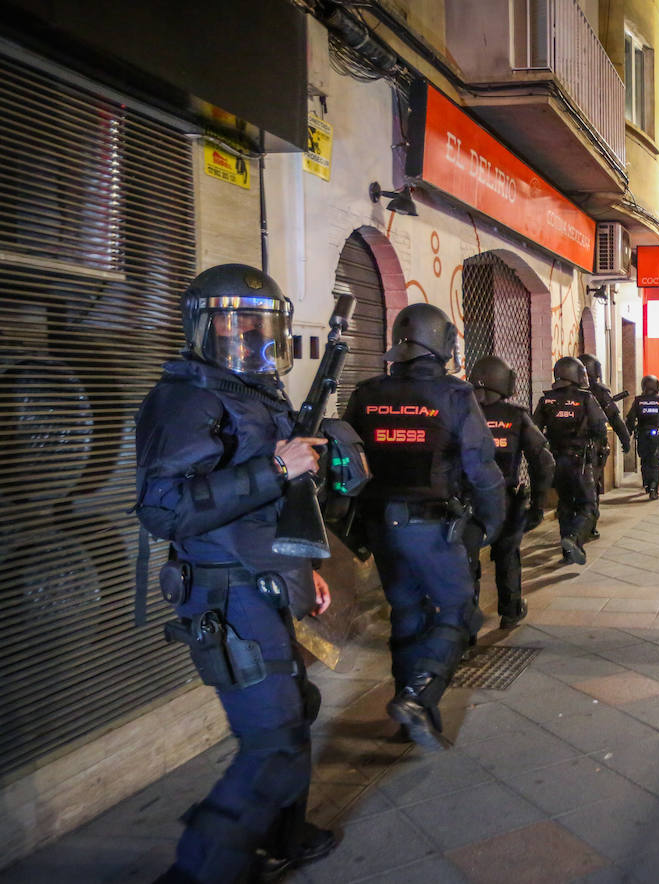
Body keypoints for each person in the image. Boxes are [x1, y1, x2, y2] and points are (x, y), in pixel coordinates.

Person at [136, 265, 337, 882]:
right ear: (204, 327)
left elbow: (274, 505)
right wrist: (274, 469)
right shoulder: (186, 398)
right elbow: (164, 509)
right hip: (227, 590)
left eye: (258, 323)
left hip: (266, 575)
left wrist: (305, 565)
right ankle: (199, 871)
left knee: (296, 709)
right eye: (233, 322)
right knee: (272, 739)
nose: (247, 335)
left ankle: (281, 835)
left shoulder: (255, 393)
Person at [346, 304, 506, 750]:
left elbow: (347, 463)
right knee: (459, 612)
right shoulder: (454, 395)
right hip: (432, 527)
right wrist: (490, 524)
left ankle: (409, 718)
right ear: (441, 343)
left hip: (381, 526)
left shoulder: (365, 393)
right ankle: (419, 696)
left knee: (407, 615)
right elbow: (482, 468)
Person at [467, 355, 556, 630]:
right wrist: (538, 504)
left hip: (467, 501)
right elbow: (544, 461)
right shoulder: (515, 416)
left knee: (466, 560)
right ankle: (510, 611)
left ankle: (465, 624)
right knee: (507, 554)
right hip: (504, 499)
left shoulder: (460, 413)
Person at [534, 356, 608, 565]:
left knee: (565, 505)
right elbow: (600, 428)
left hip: (557, 461)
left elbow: (534, 429)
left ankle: (567, 552)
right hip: (579, 461)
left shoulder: (546, 400)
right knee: (588, 505)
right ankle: (574, 538)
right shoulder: (585, 398)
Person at [578, 354, 632, 540]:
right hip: (592, 449)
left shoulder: (561, 393)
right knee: (592, 487)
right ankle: (588, 527)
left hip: (564, 451)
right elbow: (615, 419)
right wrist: (625, 439)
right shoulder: (598, 391)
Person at [627, 374, 659, 499]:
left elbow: (630, 418)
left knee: (644, 461)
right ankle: (653, 488)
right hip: (658, 436)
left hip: (642, 435)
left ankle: (646, 484)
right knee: (655, 462)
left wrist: (627, 434)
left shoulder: (638, 401)